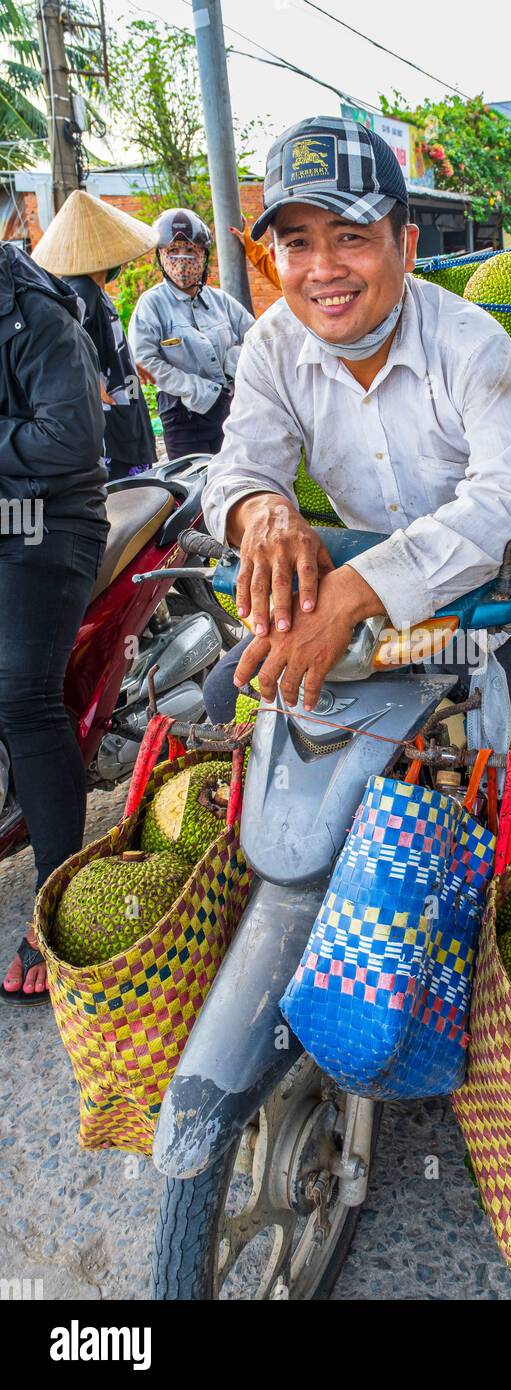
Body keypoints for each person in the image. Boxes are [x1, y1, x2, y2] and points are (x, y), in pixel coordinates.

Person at [200, 116, 511, 808]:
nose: (324, 270)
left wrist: (350, 592)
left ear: (406, 243)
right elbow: (240, 464)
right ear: (273, 258)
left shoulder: (470, 343)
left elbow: (509, 503)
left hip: (505, 607)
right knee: (225, 707)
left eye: (351, 238)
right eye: (297, 243)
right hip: (380, 624)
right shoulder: (270, 346)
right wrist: (264, 512)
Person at [0, 242, 107, 1004]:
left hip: (48, 518)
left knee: (20, 694)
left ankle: (54, 895)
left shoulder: (34, 313)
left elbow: (71, 438)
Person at [31, 190, 158, 481]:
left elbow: (98, 343)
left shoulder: (97, 292)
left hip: (123, 406)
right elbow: (63, 347)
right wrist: (92, 384)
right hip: (108, 422)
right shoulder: (80, 291)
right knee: (127, 500)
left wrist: (129, 364)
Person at [129, 208, 254, 460]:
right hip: (182, 415)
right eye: (173, 252)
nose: (182, 260)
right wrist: (197, 389)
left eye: (191, 251)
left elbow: (257, 340)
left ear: (204, 256)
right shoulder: (151, 305)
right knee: (191, 485)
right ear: (161, 256)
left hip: (231, 408)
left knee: (234, 479)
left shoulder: (222, 302)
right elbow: (144, 361)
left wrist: (231, 363)